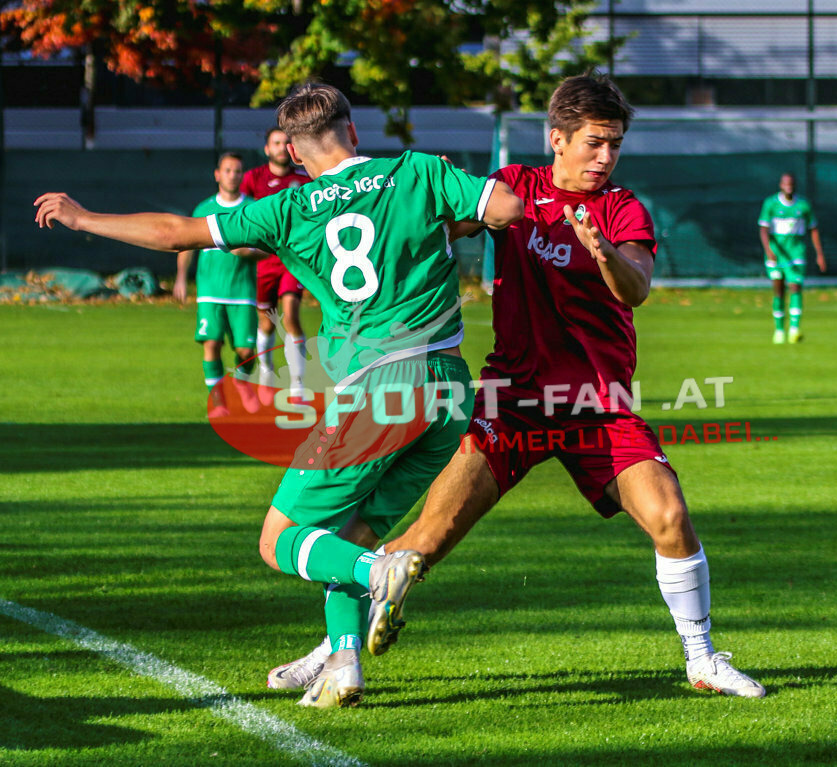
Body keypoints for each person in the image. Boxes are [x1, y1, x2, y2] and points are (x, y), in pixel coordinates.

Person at [34, 81, 524, 708]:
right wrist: (452, 218)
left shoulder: (288, 207)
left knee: (280, 540)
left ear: (293, 152)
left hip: (377, 389)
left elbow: (179, 233)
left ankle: (379, 573)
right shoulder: (418, 170)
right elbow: (505, 209)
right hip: (448, 391)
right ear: (353, 131)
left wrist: (83, 218)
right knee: (346, 534)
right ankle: (342, 662)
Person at [277, 73, 767, 698]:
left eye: (615, 144)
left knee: (670, 515)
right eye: (594, 143)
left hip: (597, 405)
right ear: (557, 138)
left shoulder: (622, 209)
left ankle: (701, 660)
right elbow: (437, 226)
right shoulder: (516, 188)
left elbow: (637, 288)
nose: (605, 157)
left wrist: (603, 252)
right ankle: (332, 650)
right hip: (509, 403)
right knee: (420, 545)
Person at [173, 152, 262, 416]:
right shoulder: (204, 209)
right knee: (211, 344)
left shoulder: (252, 208)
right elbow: (186, 245)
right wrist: (181, 277)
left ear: (242, 175)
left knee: (245, 351)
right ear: (217, 175)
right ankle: (219, 402)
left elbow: (269, 246)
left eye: (237, 171)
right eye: (227, 170)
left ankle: (242, 382)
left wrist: (250, 252)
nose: (232, 176)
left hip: (242, 292)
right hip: (209, 292)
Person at [240, 126, 313, 399]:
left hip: (292, 260)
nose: (282, 147)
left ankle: (297, 384)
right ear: (267, 149)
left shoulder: (304, 179)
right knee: (267, 322)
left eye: (286, 142)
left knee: (291, 315)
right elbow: (240, 212)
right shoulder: (253, 179)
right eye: (276, 143)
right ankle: (266, 370)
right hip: (263, 261)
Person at [758, 172, 827, 344]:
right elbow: (763, 229)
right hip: (776, 254)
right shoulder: (771, 204)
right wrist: (768, 250)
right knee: (779, 290)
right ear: (781, 185)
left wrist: (819, 254)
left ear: (795, 185)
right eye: (786, 184)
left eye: (791, 184)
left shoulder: (803, 205)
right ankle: (779, 330)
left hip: (796, 253)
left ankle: (794, 329)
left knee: (795, 287)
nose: (789, 187)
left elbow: (813, 229)